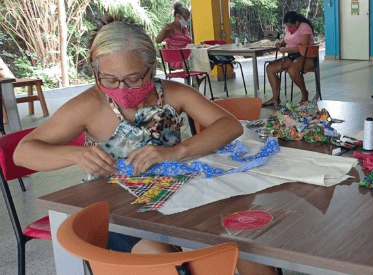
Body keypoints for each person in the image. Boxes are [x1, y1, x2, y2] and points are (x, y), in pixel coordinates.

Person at [13, 15, 276, 275]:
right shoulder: (89, 105)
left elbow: (229, 125)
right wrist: (75, 154)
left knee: (249, 246)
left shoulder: (173, 93)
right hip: (116, 210)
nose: (122, 88)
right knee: (168, 264)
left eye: (134, 78)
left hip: (176, 195)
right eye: (109, 79)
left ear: (152, 68)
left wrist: (176, 151)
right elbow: (23, 153)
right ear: (96, 73)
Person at [263, 11, 317, 107]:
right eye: (287, 27)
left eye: (291, 26)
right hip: (292, 56)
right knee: (270, 68)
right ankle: (275, 98)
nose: (289, 29)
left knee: (292, 70)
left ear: (297, 22)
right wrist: (279, 44)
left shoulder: (304, 27)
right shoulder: (288, 29)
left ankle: (304, 93)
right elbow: (285, 41)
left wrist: (287, 49)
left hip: (306, 57)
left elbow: (304, 47)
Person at [156, 2, 192, 70]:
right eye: (185, 19)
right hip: (177, 59)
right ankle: (197, 79)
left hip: (187, 57)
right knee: (201, 61)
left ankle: (198, 79)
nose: (187, 21)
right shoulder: (170, 28)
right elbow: (158, 40)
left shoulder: (184, 29)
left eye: (188, 19)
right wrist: (164, 30)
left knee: (207, 60)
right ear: (178, 16)